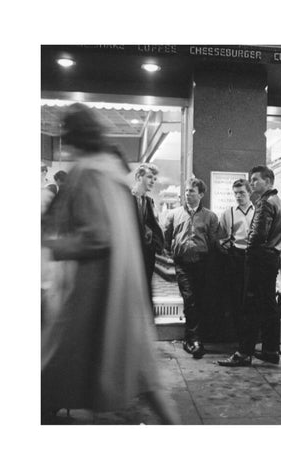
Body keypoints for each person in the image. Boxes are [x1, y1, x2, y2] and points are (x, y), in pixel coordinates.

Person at [41, 103, 179, 424]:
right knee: (143, 374)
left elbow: (97, 235)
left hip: (93, 291)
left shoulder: (88, 173)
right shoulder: (112, 173)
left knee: (66, 364)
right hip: (121, 289)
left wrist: (53, 244)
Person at [218, 165, 281, 366]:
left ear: (268, 181)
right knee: (269, 305)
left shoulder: (265, 203)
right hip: (272, 258)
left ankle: (243, 353)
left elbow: (257, 234)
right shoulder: (279, 203)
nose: (252, 182)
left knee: (250, 307)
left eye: (256, 179)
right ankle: (271, 350)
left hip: (259, 260)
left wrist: (249, 252)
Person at [163, 177, 219, 359]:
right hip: (182, 264)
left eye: (192, 191)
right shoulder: (174, 214)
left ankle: (194, 338)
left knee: (201, 299)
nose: (188, 194)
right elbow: (167, 236)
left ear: (201, 194)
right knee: (189, 299)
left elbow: (213, 240)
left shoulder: (210, 217)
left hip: (203, 264)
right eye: (186, 191)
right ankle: (193, 339)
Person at [218, 178, 255, 342]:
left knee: (251, 297)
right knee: (235, 297)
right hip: (235, 257)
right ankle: (238, 336)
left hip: (253, 257)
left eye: (242, 193)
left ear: (249, 193)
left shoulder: (257, 211)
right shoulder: (229, 213)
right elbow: (221, 236)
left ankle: (251, 337)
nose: (239, 196)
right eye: (236, 193)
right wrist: (225, 246)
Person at [131, 163, 164, 293]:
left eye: (154, 179)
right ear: (139, 177)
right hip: (131, 256)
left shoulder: (149, 201)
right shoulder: (126, 199)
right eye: (150, 177)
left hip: (147, 255)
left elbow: (153, 225)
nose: (153, 181)